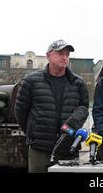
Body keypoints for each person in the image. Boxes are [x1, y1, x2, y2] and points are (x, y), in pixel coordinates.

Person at [15, 39, 89, 173]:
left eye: (67, 54)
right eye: (60, 53)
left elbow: (84, 108)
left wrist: (72, 124)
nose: (65, 57)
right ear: (48, 56)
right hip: (40, 149)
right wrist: (33, 133)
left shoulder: (78, 83)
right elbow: (20, 111)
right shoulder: (31, 80)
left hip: (69, 146)